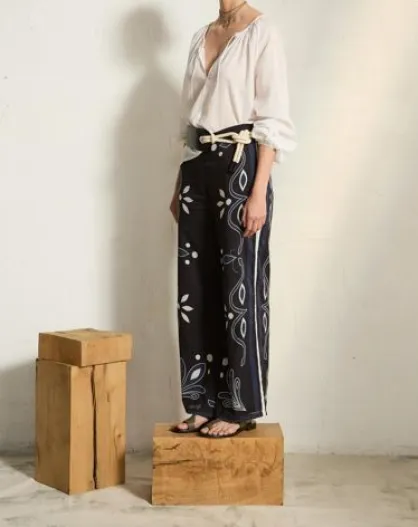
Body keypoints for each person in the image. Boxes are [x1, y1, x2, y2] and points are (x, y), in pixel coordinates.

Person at [169, 0, 296, 438]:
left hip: (240, 167)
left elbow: (271, 118)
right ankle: (201, 400)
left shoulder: (261, 33)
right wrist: (179, 183)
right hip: (197, 167)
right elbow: (189, 118)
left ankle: (240, 406)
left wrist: (258, 191)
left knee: (239, 287)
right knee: (195, 288)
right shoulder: (201, 36)